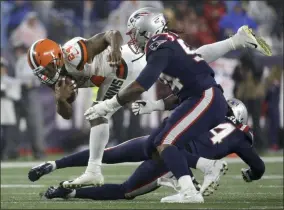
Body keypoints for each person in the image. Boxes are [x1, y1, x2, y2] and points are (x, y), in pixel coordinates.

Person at [28, 7, 271, 190]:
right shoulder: (56, 75)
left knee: (187, 62)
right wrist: (61, 100)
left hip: (125, 64)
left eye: (46, 69)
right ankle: (236, 40)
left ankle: (95, 170)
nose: (46, 75)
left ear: (56, 58)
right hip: (112, 78)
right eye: (42, 72)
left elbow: (111, 34)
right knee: (189, 59)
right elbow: (66, 112)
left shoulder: (72, 52)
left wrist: (112, 51)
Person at [38, 98, 265, 201]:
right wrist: (252, 174)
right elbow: (259, 166)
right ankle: (71, 192)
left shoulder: (210, 112)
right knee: (124, 191)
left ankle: (55, 165)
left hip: (161, 138)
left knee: (106, 154)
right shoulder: (240, 136)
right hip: (172, 155)